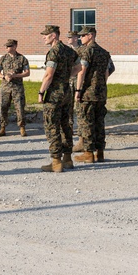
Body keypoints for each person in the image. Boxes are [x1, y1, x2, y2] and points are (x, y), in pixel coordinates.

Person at [37, 25, 79, 172]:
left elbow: (49, 75)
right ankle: (67, 159)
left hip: (55, 93)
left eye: (46, 34)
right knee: (65, 125)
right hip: (67, 91)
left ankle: (56, 161)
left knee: (52, 125)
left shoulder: (53, 52)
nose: (44, 37)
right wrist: (66, 76)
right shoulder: (69, 51)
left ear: (54, 35)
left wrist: (41, 91)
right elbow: (79, 67)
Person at [73, 26, 112, 163]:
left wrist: (78, 90)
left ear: (90, 35)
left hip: (87, 93)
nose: (80, 38)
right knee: (99, 122)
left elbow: (81, 71)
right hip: (100, 92)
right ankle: (100, 153)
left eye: (83, 36)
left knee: (87, 122)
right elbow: (107, 72)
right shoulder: (104, 52)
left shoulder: (87, 51)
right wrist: (101, 85)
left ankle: (88, 153)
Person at [0, 39, 30, 137]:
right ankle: (3, 128)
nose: (7, 48)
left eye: (9, 46)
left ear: (15, 47)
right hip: (5, 87)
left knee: (19, 107)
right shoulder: (2, 59)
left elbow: (27, 73)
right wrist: (4, 76)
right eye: (6, 46)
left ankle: (22, 127)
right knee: (3, 107)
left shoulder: (22, 59)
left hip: (17, 87)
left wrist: (15, 75)